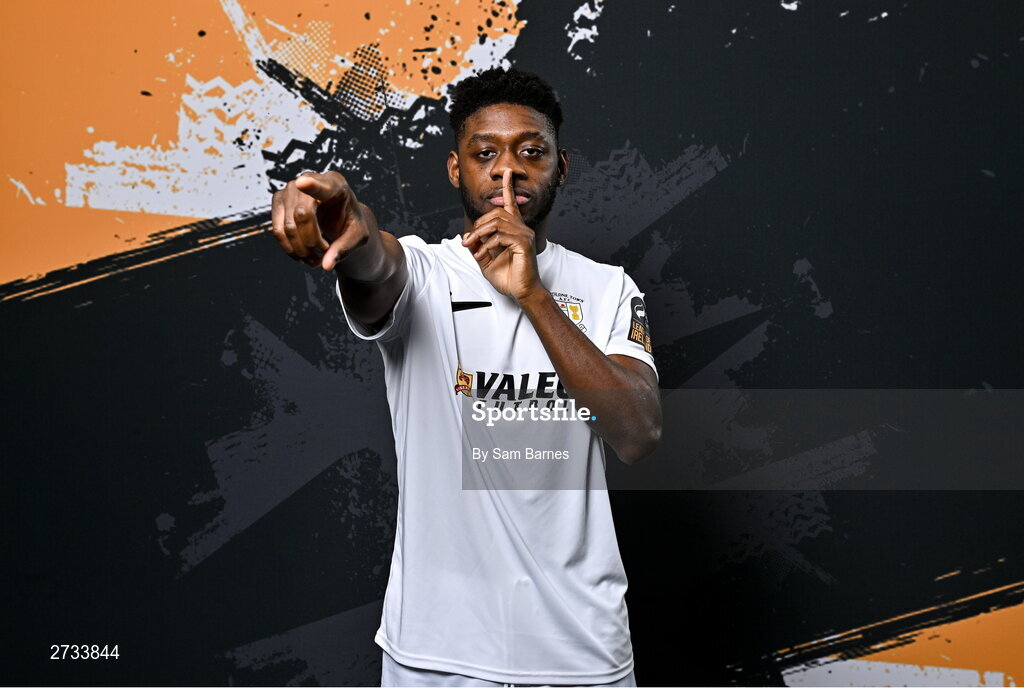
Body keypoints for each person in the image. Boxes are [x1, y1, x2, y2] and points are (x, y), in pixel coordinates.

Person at [269, 67, 662, 687]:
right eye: (485, 154)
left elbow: (638, 432)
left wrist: (533, 294)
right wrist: (350, 220)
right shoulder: (424, 273)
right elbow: (374, 258)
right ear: (457, 169)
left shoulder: (608, 288)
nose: (507, 171)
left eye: (531, 151)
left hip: (581, 652)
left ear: (563, 166)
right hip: (437, 653)